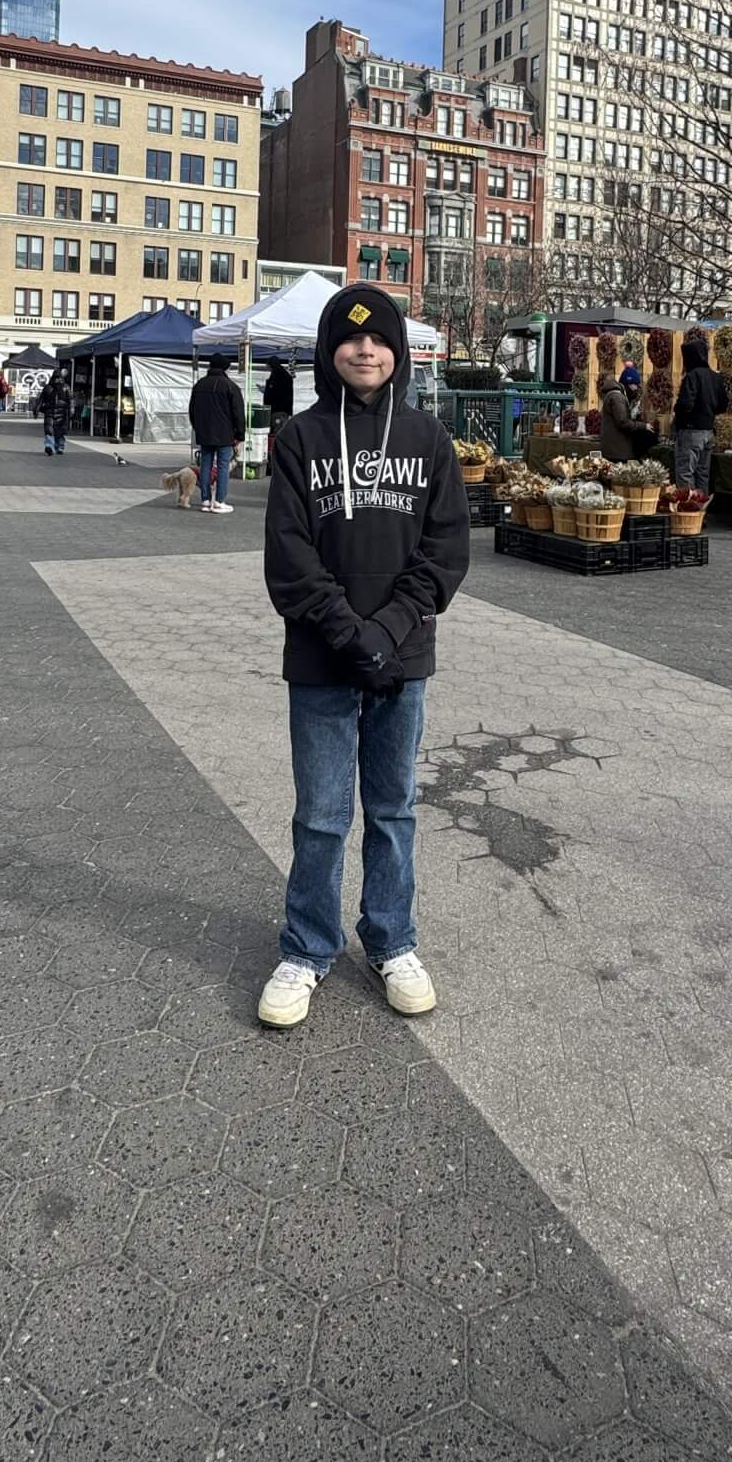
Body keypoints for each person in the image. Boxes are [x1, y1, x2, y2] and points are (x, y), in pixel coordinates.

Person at [258, 284, 470, 1030]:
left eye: (379, 339)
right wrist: (350, 632)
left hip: (401, 661)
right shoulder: (298, 441)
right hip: (321, 661)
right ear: (329, 352)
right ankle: (306, 948)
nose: (365, 350)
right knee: (319, 816)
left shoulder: (430, 440)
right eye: (350, 341)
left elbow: (445, 551)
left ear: (398, 352)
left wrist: (388, 631)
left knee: (391, 811)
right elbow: (288, 558)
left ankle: (391, 941)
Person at [189, 351, 246, 514]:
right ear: (225, 369)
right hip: (224, 434)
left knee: (205, 465)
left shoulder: (199, 385)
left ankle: (205, 501)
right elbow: (238, 413)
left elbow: (192, 411)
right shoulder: (231, 386)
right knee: (222, 466)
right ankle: (219, 501)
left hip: (204, 433)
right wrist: (239, 435)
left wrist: (197, 428)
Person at [672, 330, 727, 496]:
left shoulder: (692, 376)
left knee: (685, 472)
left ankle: (688, 512)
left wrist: (678, 414)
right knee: (703, 473)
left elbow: (685, 404)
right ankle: (701, 511)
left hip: (690, 430)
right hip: (708, 430)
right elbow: (723, 405)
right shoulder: (715, 377)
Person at [601, 362, 660, 464]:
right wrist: (643, 426)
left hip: (615, 447)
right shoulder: (617, 397)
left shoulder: (617, 396)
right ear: (628, 383)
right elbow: (622, 422)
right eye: (635, 385)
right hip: (616, 449)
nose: (636, 388)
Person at [263, 357, 295, 449]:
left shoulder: (280, 376)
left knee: (277, 435)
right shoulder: (278, 375)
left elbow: (281, 395)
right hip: (279, 411)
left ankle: (276, 456)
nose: (267, 367)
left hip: (279, 410)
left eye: (268, 365)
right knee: (276, 434)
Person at [41, 367, 70, 456]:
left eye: (59, 378)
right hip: (50, 412)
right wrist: (37, 407)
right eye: (56, 378)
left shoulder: (65, 387)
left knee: (60, 431)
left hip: (61, 413)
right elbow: (41, 399)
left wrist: (71, 409)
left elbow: (71, 399)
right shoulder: (48, 388)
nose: (57, 380)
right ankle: (49, 446)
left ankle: (59, 446)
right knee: (49, 430)